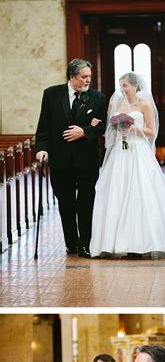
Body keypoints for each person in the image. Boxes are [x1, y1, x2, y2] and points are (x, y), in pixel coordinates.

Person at [90, 72, 165, 258]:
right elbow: (109, 130)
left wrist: (133, 127)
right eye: (121, 85)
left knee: (141, 192)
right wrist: (112, 127)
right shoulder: (116, 104)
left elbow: (152, 131)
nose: (122, 89)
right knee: (117, 192)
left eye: (126, 85)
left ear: (135, 86)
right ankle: (116, 242)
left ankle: (147, 240)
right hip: (120, 152)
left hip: (138, 150)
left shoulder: (144, 105)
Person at [35, 59, 106, 258]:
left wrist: (84, 132)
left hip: (87, 161)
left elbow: (102, 126)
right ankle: (71, 244)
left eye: (89, 77)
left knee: (86, 202)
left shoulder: (97, 98)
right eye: (84, 77)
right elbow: (44, 127)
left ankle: (85, 244)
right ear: (72, 77)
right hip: (60, 160)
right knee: (66, 203)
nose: (87, 80)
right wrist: (41, 149)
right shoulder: (51, 95)